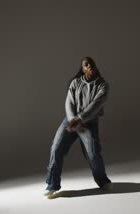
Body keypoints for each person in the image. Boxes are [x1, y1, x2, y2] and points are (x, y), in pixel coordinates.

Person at [44, 56, 113, 197]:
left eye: (91, 63)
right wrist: (72, 120)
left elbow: (95, 106)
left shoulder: (103, 85)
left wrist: (80, 120)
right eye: (86, 65)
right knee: (56, 147)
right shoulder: (75, 82)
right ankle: (52, 185)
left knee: (92, 153)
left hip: (89, 122)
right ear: (83, 69)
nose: (90, 66)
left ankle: (102, 181)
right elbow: (69, 103)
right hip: (70, 121)